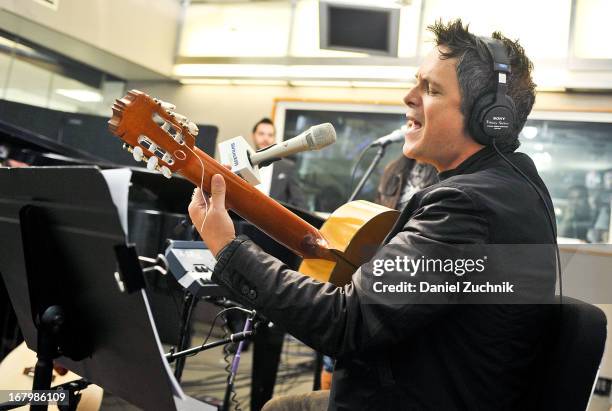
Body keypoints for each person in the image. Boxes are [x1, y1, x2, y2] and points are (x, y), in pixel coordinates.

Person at [188, 19, 556, 411]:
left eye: (430, 89)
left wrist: (227, 247)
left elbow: (346, 322)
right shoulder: (513, 185)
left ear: (489, 116)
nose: (408, 97)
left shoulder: (469, 204)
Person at [251, 118, 306, 208]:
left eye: (270, 135)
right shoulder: (242, 163)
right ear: (253, 135)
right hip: (241, 220)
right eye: (261, 134)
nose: (266, 138)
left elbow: (299, 203)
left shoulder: (287, 167)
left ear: (274, 138)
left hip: (272, 220)